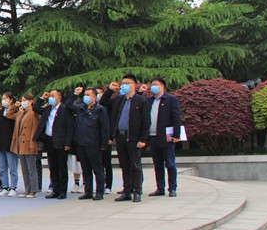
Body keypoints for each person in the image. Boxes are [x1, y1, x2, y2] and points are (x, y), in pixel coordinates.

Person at [109, 74, 150, 202]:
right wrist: (110, 90)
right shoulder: (119, 100)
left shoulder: (140, 100)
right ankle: (127, 191)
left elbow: (146, 121)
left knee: (135, 166)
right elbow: (105, 103)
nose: (124, 86)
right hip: (120, 136)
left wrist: (143, 139)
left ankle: (137, 191)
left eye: (127, 83)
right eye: (123, 83)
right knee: (124, 166)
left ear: (134, 85)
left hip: (133, 138)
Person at [141, 77, 183, 197]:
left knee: (170, 163)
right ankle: (160, 188)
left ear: (162, 86)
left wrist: (176, 135)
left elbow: (176, 118)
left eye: (156, 84)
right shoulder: (149, 101)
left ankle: (172, 188)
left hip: (166, 137)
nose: (153, 87)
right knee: (157, 164)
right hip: (152, 136)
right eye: (152, 84)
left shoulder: (171, 99)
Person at [71, 87, 110, 200]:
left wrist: (104, 144)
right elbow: (68, 105)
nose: (86, 97)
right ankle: (88, 191)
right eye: (85, 95)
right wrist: (75, 94)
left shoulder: (100, 109)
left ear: (94, 97)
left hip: (94, 144)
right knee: (86, 170)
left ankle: (99, 192)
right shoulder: (80, 108)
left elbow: (105, 128)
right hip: (82, 143)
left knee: (98, 170)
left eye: (88, 95)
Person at [35, 90, 74, 199]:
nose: (50, 98)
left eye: (53, 96)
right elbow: (36, 108)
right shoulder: (48, 108)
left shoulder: (64, 109)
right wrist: (42, 98)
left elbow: (70, 127)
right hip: (49, 140)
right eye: (50, 96)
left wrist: (68, 143)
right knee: (53, 167)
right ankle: (55, 189)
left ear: (59, 98)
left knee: (62, 167)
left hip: (61, 142)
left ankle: (62, 191)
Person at [6, 93, 40, 198]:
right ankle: (27, 189)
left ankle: (33, 190)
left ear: (31, 101)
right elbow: (8, 115)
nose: (23, 102)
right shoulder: (21, 113)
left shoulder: (33, 113)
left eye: (25, 100)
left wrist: (33, 143)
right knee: (24, 169)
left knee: (31, 168)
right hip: (20, 143)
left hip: (29, 143)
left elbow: (34, 129)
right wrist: (15, 107)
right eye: (22, 100)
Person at [0, 92, 19, 197]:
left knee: (12, 167)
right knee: (2, 167)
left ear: (11, 100)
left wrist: (14, 107)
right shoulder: (0, 112)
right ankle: (5, 186)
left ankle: (13, 187)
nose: (3, 100)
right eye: (2, 98)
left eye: (6, 98)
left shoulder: (15, 111)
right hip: (0, 143)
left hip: (10, 143)